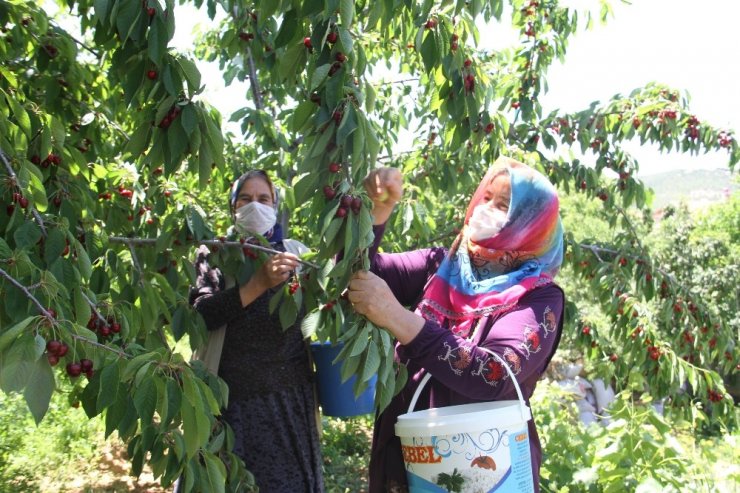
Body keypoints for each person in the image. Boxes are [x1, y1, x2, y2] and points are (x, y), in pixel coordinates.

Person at [348, 156, 565, 493]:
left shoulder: (538, 298)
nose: (485, 207)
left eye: (503, 204)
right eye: (487, 197)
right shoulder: (442, 265)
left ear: (529, 223)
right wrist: (374, 214)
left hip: (487, 472)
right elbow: (357, 276)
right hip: (407, 461)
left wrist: (399, 319)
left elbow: (496, 373)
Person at [188, 169, 324, 492]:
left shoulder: (296, 255)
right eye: (245, 199)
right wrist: (258, 284)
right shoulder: (216, 253)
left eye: (263, 199)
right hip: (235, 406)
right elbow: (201, 316)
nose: (255, 206)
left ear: (275, 205)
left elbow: (324, 307)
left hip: (290, 400)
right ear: (233, 208)